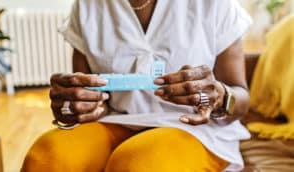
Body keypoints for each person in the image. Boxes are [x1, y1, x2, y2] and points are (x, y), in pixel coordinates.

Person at [21, 0, 252, 171]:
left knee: (140, 164)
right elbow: (89, 96)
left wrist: (219, 97)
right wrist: (74, 105)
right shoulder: (87, 5)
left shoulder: (215, 4)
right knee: (46, 157)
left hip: (195, 130)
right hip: (116, 121)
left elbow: (240, 98)